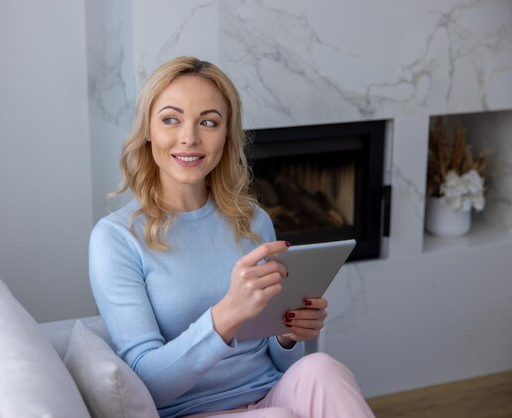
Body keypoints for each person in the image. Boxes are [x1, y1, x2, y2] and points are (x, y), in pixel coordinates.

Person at [89, 56, 374, 418]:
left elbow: (282, 361)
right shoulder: (116, 239)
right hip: (193, 410)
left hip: (270, 392)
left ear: (226, 134)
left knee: (322, 369)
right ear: (148, 130)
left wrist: (288, 335)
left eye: (208, 122)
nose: (189, 138)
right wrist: (226, 314)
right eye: (171, 119)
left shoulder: (252, 220)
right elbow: (149, 384)